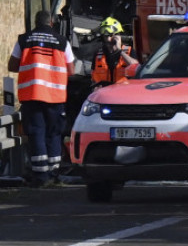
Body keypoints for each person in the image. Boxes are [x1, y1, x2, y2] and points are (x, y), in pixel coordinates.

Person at [7, 11, 75, 186]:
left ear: (35, 23)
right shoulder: (62, 41)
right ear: (51, 23)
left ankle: (40, 176)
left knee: (36, 132)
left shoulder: (24, 39)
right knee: (54, 133)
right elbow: (71, 70)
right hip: (55, 96)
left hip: (32, 94)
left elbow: (12, 65)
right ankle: (53, 174)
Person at [91, 17, 137, 88]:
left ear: (118, 35)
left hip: (123, 94)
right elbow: (93, 79)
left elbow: (136, 68)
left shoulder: (129, 51)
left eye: (111, 35)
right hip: (103, 95)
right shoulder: (98, 55)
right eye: (106, 36)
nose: (108, 39)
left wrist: (119, 51)